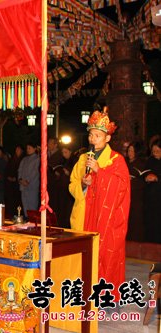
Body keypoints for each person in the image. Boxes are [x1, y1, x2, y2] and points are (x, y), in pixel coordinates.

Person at [69, 109, 130, 301]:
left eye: (97, 135)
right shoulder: (81, 159)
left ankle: (106, 297)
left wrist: (99, 173)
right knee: (84, 257)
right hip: (84, 214)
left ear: (108, 138)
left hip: (106, 220)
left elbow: (121, 187)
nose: (93, 139)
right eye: (91, 135)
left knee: (105, 257)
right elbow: (72, 184)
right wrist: (83, 185)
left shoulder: (116, 160)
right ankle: (85, 295)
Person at [126, 142, 146, 241]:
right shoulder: (125, 163)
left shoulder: (141, 163)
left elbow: (143, 180)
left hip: (137, 195)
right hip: (126, 194)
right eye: (129, 150)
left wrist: (133, 180)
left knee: (136, 218)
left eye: (132, 151)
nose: (130, 153)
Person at [53, 147, 76, 228]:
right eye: (62, 152)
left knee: (67, 208)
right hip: (62, 188)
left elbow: (76, 174)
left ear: (70, 151)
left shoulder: (74, 160)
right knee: (62, 207)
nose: (64, 154)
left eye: (65, 152)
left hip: (69, 188)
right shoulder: (64, 160)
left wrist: (68, 173)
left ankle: (66, 225)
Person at [143, 139, 160, 243]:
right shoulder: (150, 160)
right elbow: (145, 172)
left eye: (157, 151)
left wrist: (157, 178)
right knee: (151, 223)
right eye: (153, 151)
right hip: (150, 198)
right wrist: (146, 177)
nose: (155, 154)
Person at [18, 143, 40, 216]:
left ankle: (33, 221)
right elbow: (20, 170)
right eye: (27, 148)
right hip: (23, 186)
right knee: (25, 205)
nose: (28, 150)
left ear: (34, 149)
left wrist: (27, 180)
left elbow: (35, 172)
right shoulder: (24, 159)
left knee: (32, 204)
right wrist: (20, 179)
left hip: (32, 185)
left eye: (29, 148)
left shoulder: (37, 159)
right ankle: (27, 219)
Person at [4, 145, 24, 218]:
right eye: (16, 150)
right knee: (11, 200)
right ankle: (12, 214)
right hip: (10, 184)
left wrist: (16, 178)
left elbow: (21, 171)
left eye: (19, 150)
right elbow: (7, 169)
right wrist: (8, 176)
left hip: (17, 183)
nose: (17, 151)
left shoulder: (23, 159)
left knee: (18, 200)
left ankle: (19, 215)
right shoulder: (12, 159)